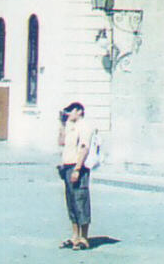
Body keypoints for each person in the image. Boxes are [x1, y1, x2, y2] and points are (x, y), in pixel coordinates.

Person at [56, 101, 93, 251]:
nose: (68, 114)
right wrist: (62, 124)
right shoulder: (71, 127)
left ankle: (84, 237)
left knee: (80, 201)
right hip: (67, 167)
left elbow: (84, 148)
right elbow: (61, 142)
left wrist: (77, 169)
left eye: (70, 111)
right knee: (71, 202)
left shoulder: (85, 127)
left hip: (78, 167)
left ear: (79, 111)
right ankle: (75, 236)